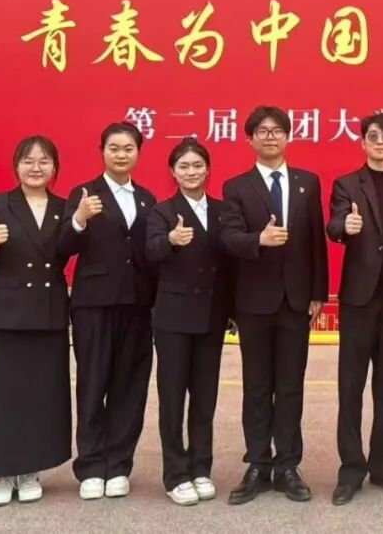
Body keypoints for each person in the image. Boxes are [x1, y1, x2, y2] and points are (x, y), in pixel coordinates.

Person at [220, 105, 328, 505]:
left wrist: (318, 291)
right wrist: (258, 241)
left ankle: (288, 465)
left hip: (296, 301)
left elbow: (315, 241)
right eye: (262, 131)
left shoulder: (307, 183)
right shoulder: (236, 186)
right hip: (254, 301)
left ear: (288, 136)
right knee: (257, 386)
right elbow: (229, 238)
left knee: (290, 385)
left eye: (277, 130)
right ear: (250, 139)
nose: (270, 136)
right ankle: (257, 464)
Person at [0, 136, 72, 506]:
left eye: (44, 161)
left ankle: (30, 472)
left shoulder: (64, 208)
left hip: (48, 313)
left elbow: (69, 249)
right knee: (1, 396)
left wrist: (79, 223)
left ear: (54, 167)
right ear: (16, 166)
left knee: (41, 395)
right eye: (28, 160)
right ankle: (2, 473)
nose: (35, 167)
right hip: (6, 314)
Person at [59, 122, 157, 501]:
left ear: (138, 153)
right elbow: (64, 245)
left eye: (128, 148)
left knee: (130, 386)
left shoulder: (146, 198)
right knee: (93, 383)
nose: (121, 154)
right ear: (102, 151)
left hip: (137, 304)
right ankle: (90, 466)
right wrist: (79, 218)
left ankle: (118, 465)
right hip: (94, 304)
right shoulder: (84, 193)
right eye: (114, 148)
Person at [325, 112, 383, 506]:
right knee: (351, 388)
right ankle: (351, 470)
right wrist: (344, 229)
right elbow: (333, 225)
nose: (380, 143)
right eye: (373, 137)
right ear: (363, 142)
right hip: (359, 300)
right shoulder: (347, 183)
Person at [146, 139, 231, 506]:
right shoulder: (162, 211)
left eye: (198, 165)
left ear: (207, 169)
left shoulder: (223, 210)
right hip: (173, 318)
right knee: (172, 397)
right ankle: (175, 474)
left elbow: (231, 262)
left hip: (212, 316)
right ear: (173, 172)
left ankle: (200, 468)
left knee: (205, 396)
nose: (191, 172)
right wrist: (170, 239)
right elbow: (150, 251)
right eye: (184, 166)